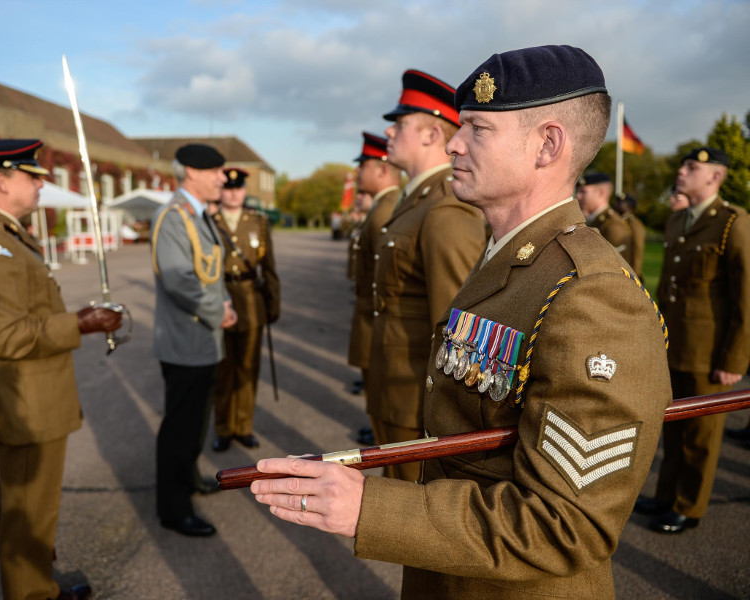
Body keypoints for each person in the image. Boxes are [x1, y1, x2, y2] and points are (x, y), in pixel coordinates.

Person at [250, 46, 671, 599]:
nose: (452, 142)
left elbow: (563, 524)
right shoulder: (510, 257)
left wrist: (367, 508)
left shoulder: (592, 295)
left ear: (547, 144)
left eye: (476, 128)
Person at [0, 139, 123, 600]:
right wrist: (81, 323)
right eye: (32, 175)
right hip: (24, 402)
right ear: (3, 181)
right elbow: (3, 337)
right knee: (26, 510)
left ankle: (37, 584)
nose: (42, 182)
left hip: (35, 396)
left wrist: (75, 320)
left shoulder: (5, 237)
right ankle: (30, 594)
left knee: (36, 507)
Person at [365, 69, 488, 481]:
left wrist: (449, 421)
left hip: (417, 399)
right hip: (394, 387)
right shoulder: (415, 201)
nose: (389, 132)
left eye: (400, 124)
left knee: (405, 524)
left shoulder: (444, 208)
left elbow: (455, 327)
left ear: (431, 135)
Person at [634, 146, 750, 533]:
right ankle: (666, 495)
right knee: (672, 426)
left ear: (715, 177)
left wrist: (734, 359)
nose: (681, 172)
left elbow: (745, 298)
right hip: (674, 346)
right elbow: (668, 287)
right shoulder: (678, 220)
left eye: (692, 167)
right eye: (683, 164)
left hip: (708, 351)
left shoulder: (734, 223)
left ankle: (689, 505)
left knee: (701, 436)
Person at [151, 143, 238, 537]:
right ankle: (173, 508)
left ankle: (187, 479)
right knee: (179, 427)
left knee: (196, 420)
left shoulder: (198, 215)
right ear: (191, 172)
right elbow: (179, 279)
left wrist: (226, 302)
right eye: (216, 171)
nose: (223, 177)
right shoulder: (173, 217)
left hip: (202, 341)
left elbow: (211, 274)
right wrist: (218, 310)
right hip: (186, 340)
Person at [210, 167, 280, 452]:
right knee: (223, 369)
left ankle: (243, 426)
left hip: (252, 303)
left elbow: (270, 267)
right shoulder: (210, 222)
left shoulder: (258, 221)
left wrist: (273, 303)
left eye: (238, 189)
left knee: (248, 368)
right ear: (221, 191)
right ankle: (224, 428)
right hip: (221, 299)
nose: (234, 193)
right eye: (228, 188)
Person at [347, 132, 401, 446]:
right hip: (371, 314)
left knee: (380, 390)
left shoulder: (384, 210)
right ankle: (377, 429)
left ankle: (379, 433)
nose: (357, 173)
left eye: (363, 165)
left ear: (381, 170)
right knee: (375, 390)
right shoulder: (382, 207)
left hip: (376, 318)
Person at [576, 171, 633, 266]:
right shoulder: (593, 220)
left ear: (601, 193)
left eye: (583, 191)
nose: (578, 196)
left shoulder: (613, 226)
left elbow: (616, 270)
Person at [614, 192, 646, 278]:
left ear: (629, 206)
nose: (616, 204)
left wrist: (635, 275)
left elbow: (637, 250)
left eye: (620, 202)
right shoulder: (614, 221)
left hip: (627, 270)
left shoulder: (634, 224)